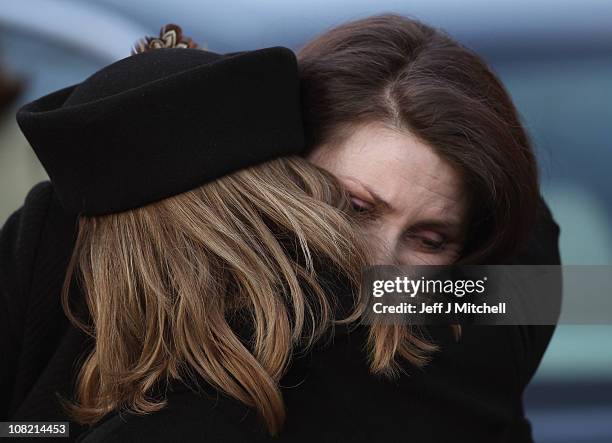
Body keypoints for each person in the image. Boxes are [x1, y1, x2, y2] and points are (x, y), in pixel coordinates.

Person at [0, 21, 560, 443]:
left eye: (431, 239)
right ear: (270, 179)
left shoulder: (455, 342)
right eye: (353, 206)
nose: (380, 265)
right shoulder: (82, 257)